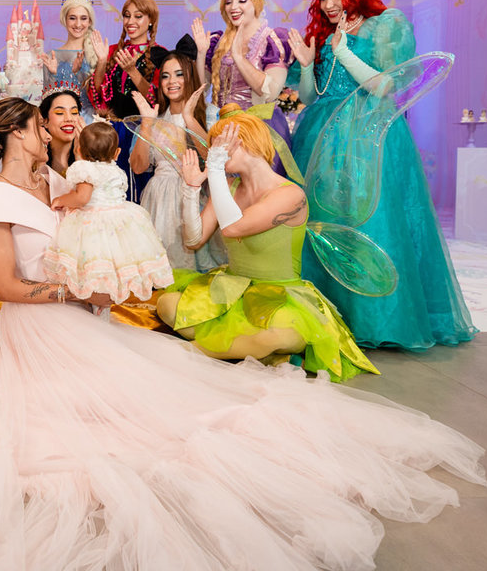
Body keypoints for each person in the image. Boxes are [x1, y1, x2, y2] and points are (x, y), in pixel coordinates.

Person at [0, 97, 486, 570]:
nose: (47, 134)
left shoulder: (53, 183)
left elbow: (85, 240)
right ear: (13, 136)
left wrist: (105, 281)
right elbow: (6, 286)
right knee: (104, 428)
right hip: (36, 325)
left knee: (166, 397)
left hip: (79, 316)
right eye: (37, 126)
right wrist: (78, 292)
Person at [286, 0, 477, 350]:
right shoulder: (324, 34)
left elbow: (385, 86)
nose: (328, 5)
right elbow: (310, 96)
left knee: (371, 219)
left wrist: (344, 53)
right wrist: (307, 67)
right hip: (321, 134)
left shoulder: (385, 25)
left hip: (367, 133)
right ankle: (326, 314)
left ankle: (374, 320)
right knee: (323, 222)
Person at [157, 109, 379, 381]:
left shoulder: (290, 195)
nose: (213, 152)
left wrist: (214, 168)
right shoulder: (228, 187)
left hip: (279, 296)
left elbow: (233, 227)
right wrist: (191, 190)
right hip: (231, 289)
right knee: (167, 305)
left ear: (246, 142)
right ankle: (240, 346)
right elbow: (193, 241)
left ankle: (194, 350)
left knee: (281, 335)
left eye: (221, 145)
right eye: (213, 148)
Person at [43, 121, 174, 306]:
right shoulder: (116, 170)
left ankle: (91, 298)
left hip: (93, 222)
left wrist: (61, 200)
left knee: (91, 262)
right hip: (120, 222)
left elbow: (82, 197)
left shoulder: (84, 168)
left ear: (79, 150)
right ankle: (104, 300)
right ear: (117, 153)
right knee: (113, 264)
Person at [129, 50, 225, 271]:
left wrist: (189, 118)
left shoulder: (209, 114)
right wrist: (146, 125)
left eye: (179, 74)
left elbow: (213, 159)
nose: (172, 81)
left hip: (193, 196)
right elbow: (138, 167)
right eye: (165, 76)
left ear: (190, 77)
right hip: (157, 200)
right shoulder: (155, 117)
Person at [194, 0, 294, 148]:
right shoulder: (217, 41)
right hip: (223, 130)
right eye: (228, 1)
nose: (233, 7)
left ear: (256, 1)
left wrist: (239, 58)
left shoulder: (272, 39)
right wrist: (201, 54)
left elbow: (269, 93)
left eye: (242, 0)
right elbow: (200, 91)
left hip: (258, 130)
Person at [86, 0, 163, 199]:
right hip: (112, 132)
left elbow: (156, 99)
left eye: (138, 16)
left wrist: (132, 71)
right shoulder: (113, 51)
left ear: (151, 20)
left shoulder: (159, 55)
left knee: (137, 187)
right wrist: (102, 61)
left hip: (141, 132)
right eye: (127, 15)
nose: (130, 21)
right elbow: (98, 95)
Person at [43, 0, 100, 120]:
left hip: (91, 123)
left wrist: (101, 61)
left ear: (90, 21)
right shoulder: (53, 56)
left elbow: (101, 96)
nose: (78, 24)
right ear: (65, 20)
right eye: (72, 18)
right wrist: (53, 74)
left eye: (83, 18)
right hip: (62, 122)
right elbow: (48, 102)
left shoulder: (97, 54)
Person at [39, 85, 83, 178]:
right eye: (60, 113)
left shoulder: (93, 160)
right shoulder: (35, 159)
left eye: (74, 112)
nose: (69, 118)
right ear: (45, 121)